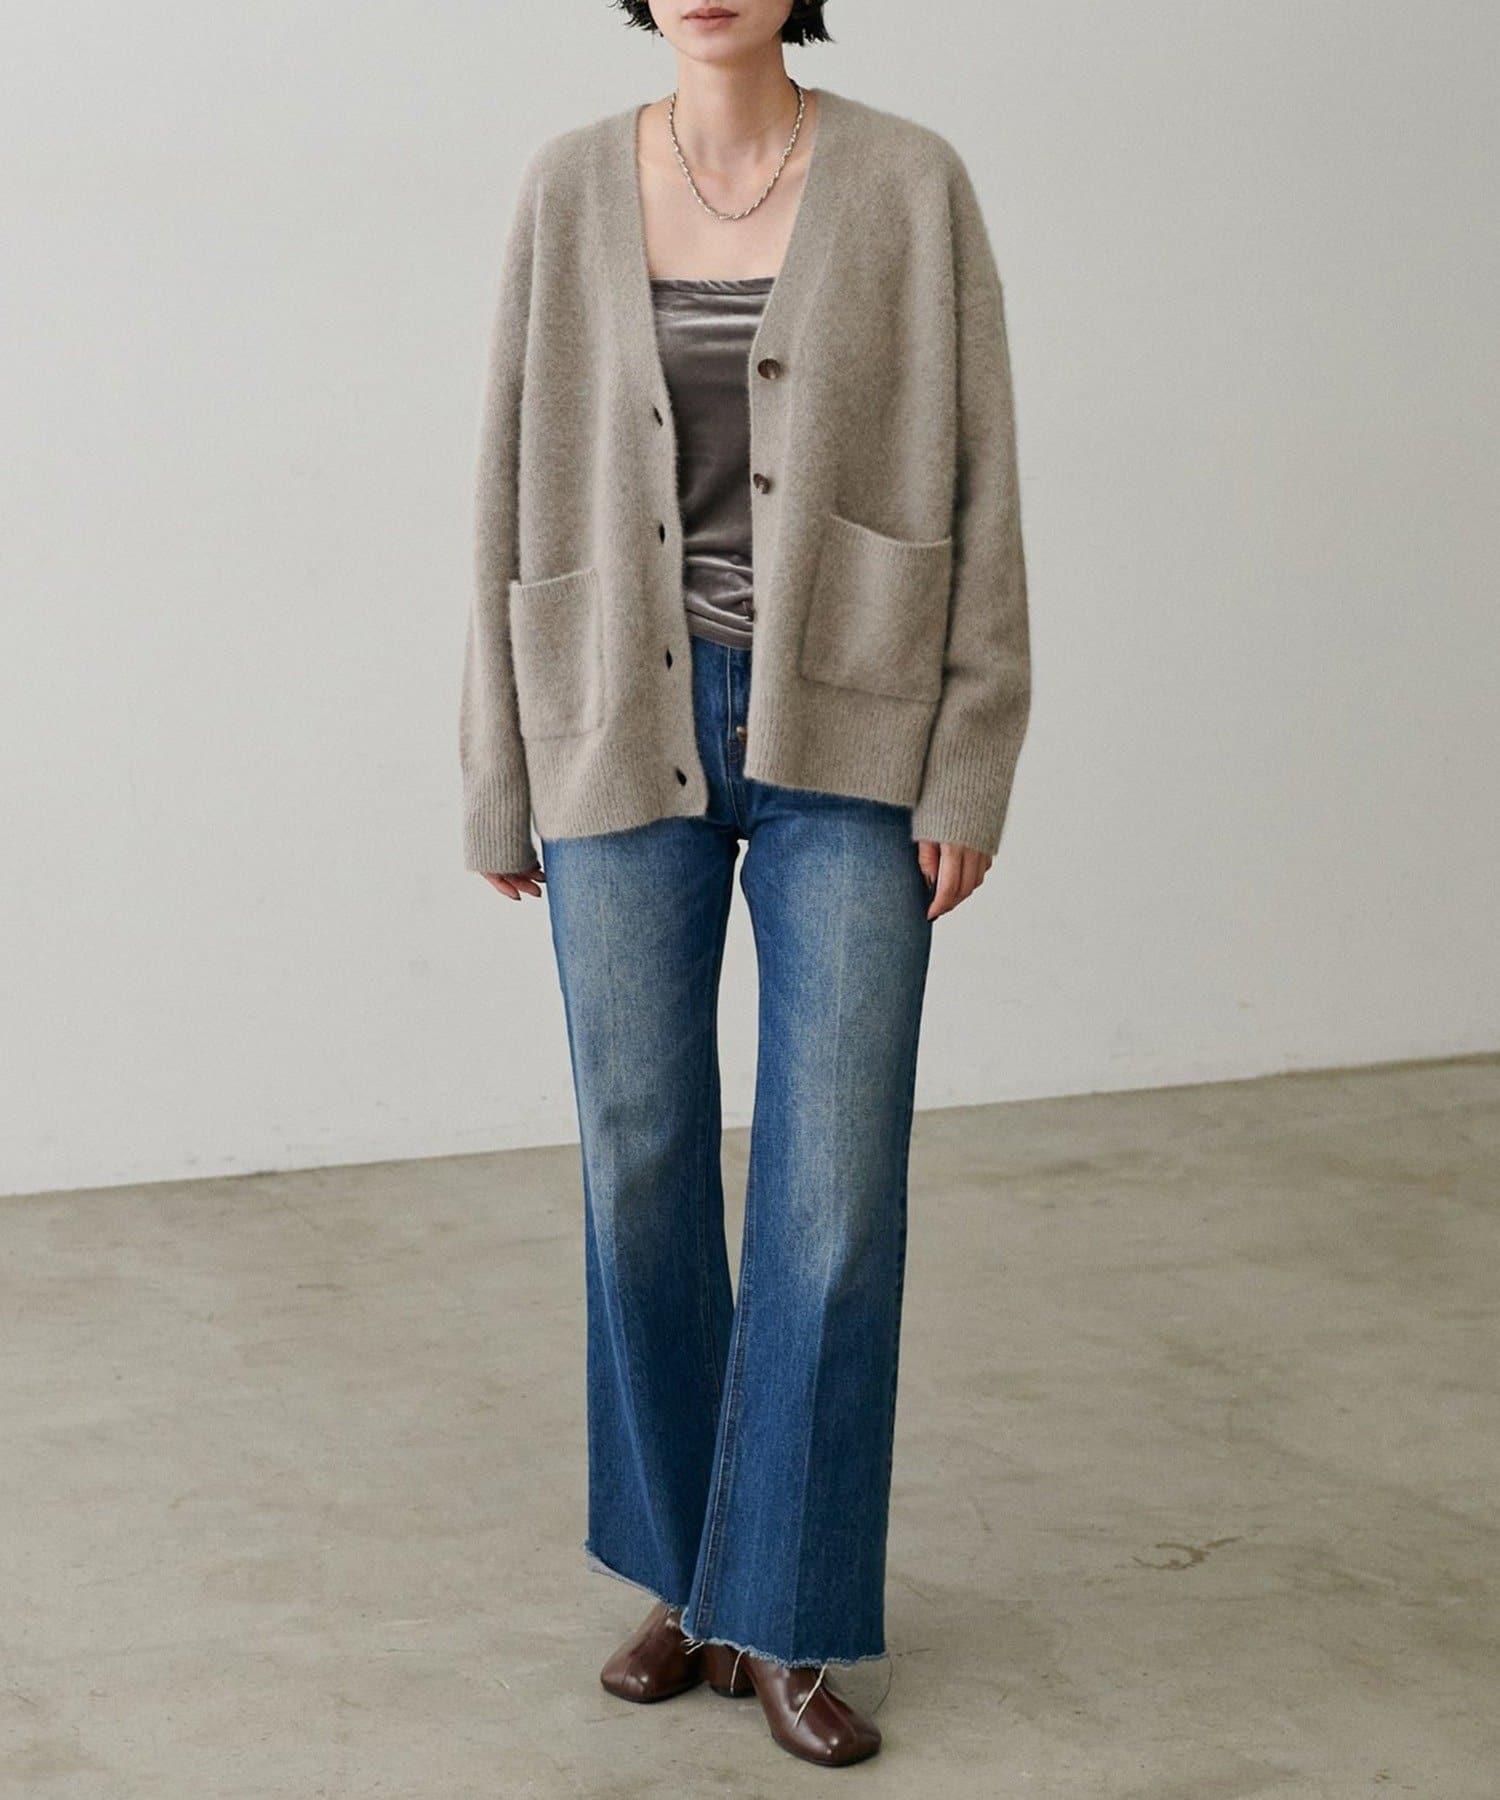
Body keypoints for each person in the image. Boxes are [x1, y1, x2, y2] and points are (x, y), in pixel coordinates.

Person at [459, 0, 1030, 1768]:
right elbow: (503, 478)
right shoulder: (568, 187)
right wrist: (501, 766)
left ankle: (782, 1607)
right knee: (638, 1163)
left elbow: (985, 475)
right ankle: (691, 1582)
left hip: (848, 727)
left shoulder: (910, 182)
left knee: (832, 1199)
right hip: (616, 715)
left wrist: (969, 751)